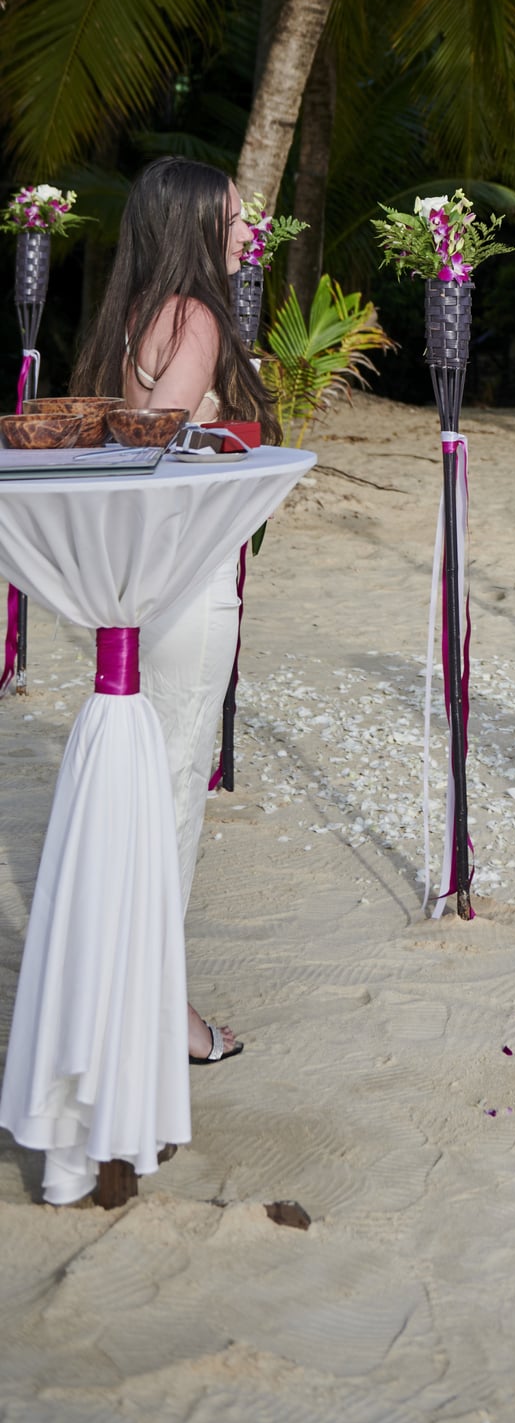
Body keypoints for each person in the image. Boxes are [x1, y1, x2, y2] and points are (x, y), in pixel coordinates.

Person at [74, 158, 276, 1063]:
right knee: (171, 800)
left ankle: (124, 991)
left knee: (144, 796)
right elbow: (154, 467)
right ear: (195, 225)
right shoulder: (195, 319)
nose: (247, 233)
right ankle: (159, 1015)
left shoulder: (139, 316)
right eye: (234, 220)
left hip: (144, 585)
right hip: (188, 584)